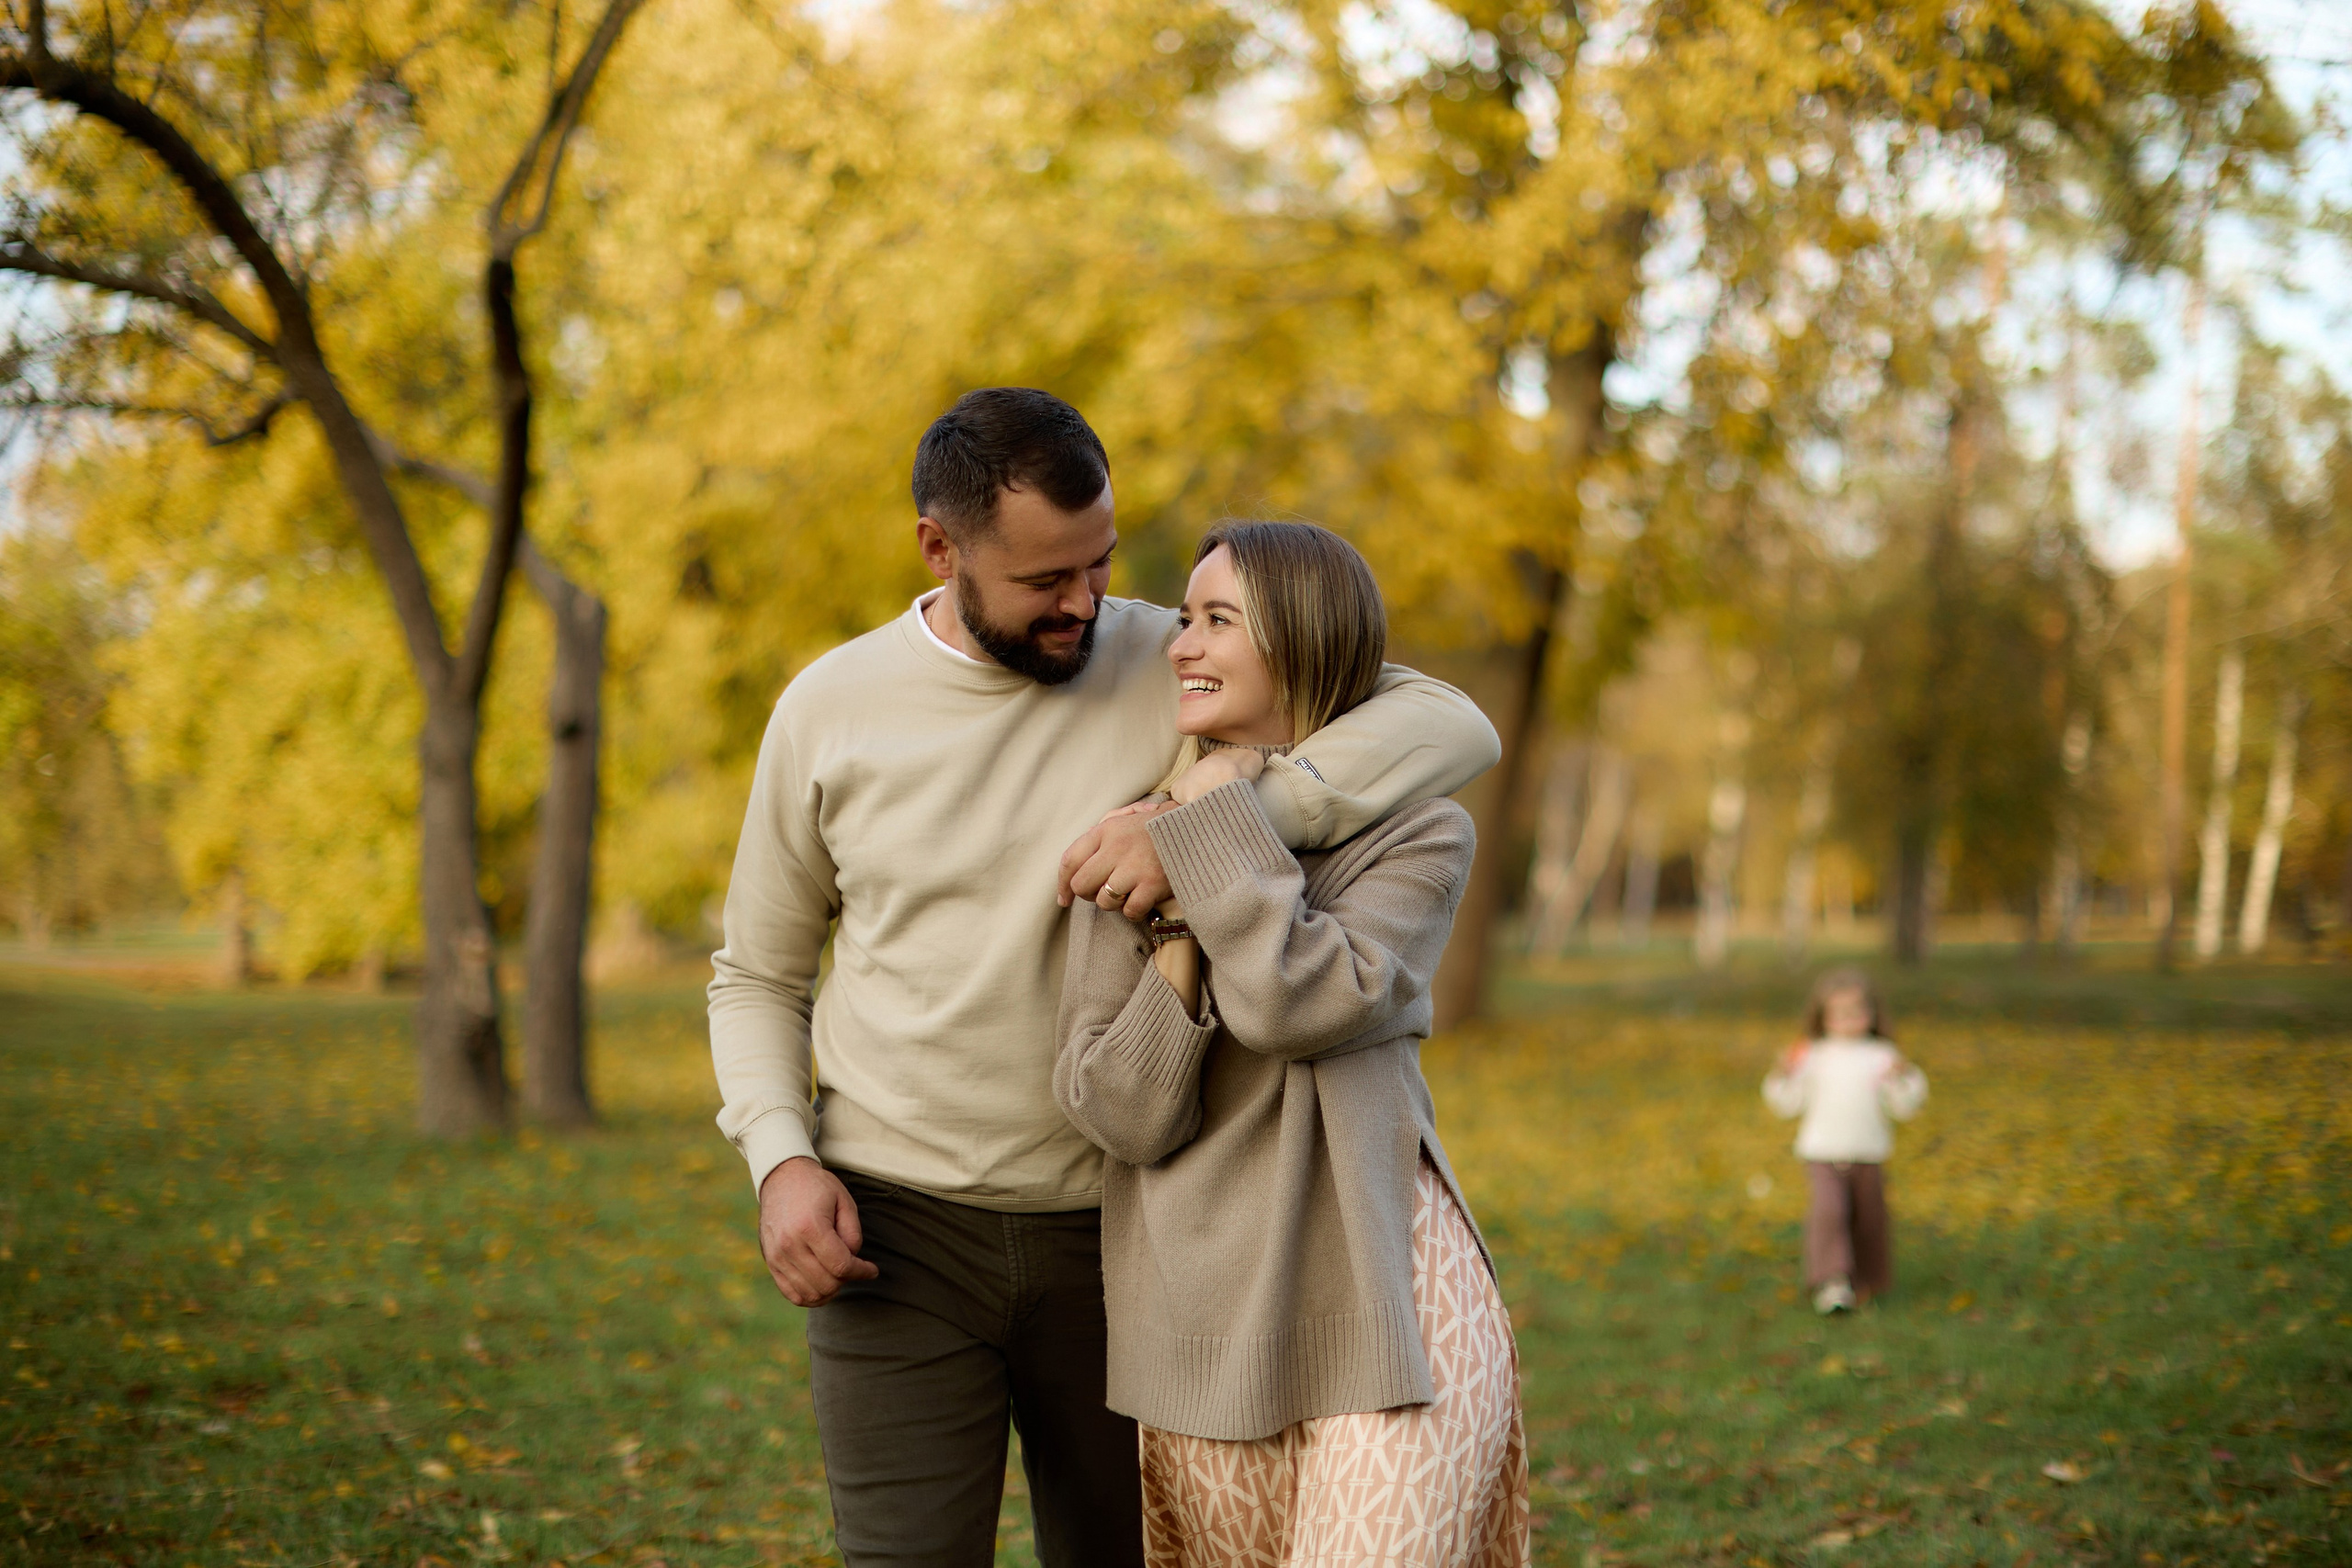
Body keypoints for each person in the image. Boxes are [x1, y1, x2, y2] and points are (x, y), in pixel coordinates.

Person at [707, 389, 1501, 1568]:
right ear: (940, 546)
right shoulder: (827, 710)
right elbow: (758, 973)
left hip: (1126, 1236)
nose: (1082, 603)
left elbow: (1451, 725)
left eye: (1099, 564)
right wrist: (780, 1159)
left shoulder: (1172, 657)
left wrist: (1203, 810)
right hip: (898, 1229)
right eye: (1042, 580)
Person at [1056, 520, 1529, 1568]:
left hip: (1385, 1304)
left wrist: (1221, 820)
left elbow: (1292, 1004)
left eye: (1219, 620)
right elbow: (1120, 1112)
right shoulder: (1134, 844)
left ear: (1304, 639)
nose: (1182, 644)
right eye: (1185, 618)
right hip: (1198, 1331)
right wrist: (1177, 927)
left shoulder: (1418, 834)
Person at [1762, 967, 1928, 1314]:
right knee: (1829, 1213)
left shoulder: (1882, 1055)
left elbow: (1905, 1106)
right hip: (1823, 1152)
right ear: (1822, 1017)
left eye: (1857, 1011)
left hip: (1868, 1152)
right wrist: (1784, 1074)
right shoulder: (1812, 1055)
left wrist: (1903, 1078)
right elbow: (1785, 1102)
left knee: (1869, 1220)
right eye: (1840, 1013)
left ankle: (1866, 1280)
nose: (1850, 1020)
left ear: (1872, 1013)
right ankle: (1831, 1282)